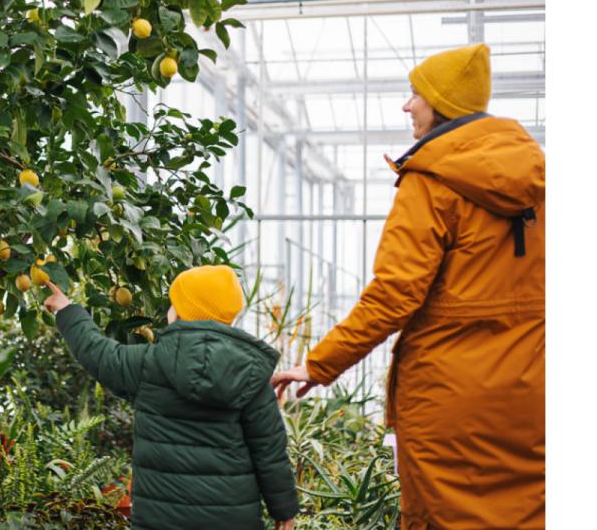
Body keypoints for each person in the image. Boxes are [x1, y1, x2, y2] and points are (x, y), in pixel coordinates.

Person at [271, 43, 545, 529]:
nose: (406, 105)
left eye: (416, 94)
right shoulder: (542, 182)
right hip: (534, 392)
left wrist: (319, 364)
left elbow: (394, 295)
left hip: (449, 402)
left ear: (443, 105)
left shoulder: (433, 180)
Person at [43, 265, 299, 530]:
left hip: (160, 521)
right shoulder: (250, 374)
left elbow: (98, 354)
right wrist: (285, 513)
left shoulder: (149, 363)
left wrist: (68, 310)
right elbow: (269, 451)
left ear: (180, 312)